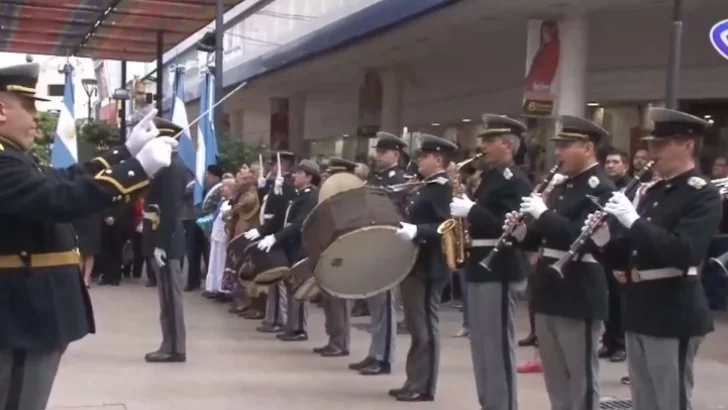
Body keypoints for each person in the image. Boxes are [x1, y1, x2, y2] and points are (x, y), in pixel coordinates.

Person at [0, 63, 174, 410]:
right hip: (24, 313)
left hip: (32, 309)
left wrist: (124, 154)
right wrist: (137, 170)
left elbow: (61, 179)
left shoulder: (13, 158)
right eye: (30, 107)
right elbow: (59, 199)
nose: (36, 118)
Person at [586, 108, 719, 410]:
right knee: (645, 400)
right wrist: (602, 240)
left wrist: (634, 221)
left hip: (674, 310)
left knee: (670, 399)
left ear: (687, 145)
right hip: (640, 306)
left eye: (661, 144)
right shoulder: (654, 190)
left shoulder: (702, 194)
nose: (652, 152)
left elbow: (685, 252)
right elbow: (632, 252)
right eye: (653, 144)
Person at [508, 115, 615, 410]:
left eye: (567, 145)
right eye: (559, 145)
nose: (559, 152)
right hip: (549, 288)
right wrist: (521, 231)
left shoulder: (601, 188)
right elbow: (542, 239)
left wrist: (543, 213)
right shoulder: (562, 185)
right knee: (555, 378)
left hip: (578, 289)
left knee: (580, 379)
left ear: (588, 147)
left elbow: (582, 238)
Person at [449, 115, 533, 410]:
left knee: (496, 346)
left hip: (500, 266)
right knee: (482, 346)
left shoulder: (516, 180)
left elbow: (512, 227)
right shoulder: (491, 177)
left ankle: (503, 404)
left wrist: (471, 210)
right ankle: (489, 403)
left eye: (488, 141)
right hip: (481, 264)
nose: (481, 146)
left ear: (507, 145)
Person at [389, 134, 455, 402]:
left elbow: (447, 227)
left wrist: (418, 230)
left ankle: (423, 385)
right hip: (416, 262)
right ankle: (413, 379)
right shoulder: (426, 186)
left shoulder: (442, 188)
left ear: (438, 159)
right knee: (418, 327)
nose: (418, 160)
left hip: (430, 265)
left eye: (423, 156)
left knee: (426, 326)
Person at [348, 132, 406, 376]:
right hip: (372, 243)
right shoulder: (377, 178)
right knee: (375, 303)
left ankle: (384, 358)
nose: (378, 156)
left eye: (383, 152)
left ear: (396, 154)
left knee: (385, 304)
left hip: (388, 245)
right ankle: (375, 352)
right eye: (377, 152)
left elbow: (398, 212)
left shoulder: (401, 179)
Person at [142, 117, 192, 363]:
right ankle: (170, 343)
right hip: (163, 239)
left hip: (168, 242)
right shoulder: (166, 167)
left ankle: (174, 347)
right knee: (166, 297)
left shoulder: (172, 169)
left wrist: (161, 243)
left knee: (171, 298)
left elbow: (170, 210)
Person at [258, 159, 320, 342]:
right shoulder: (300, 195)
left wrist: (276, 237)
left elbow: (299, 224)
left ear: (309, 177)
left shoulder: (310, 197)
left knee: (299, 289)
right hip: (292, 246)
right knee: (292, 287)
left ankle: (299, 328)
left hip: (301, 246)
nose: (295, 175)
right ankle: (292, 326)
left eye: (299, 173)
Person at [246, 151, 297, 333]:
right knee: (273, 282)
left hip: (278, 233)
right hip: (269, 230)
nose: (272, 167)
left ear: (284, 164)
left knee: (279, 281)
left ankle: (279, 319)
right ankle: (272, 317)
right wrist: (263, 188)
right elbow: (266, 206)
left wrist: (266, 232)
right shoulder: (277, 182)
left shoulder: (289, 184)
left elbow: (282, 213)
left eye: (276, 163)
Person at [314, 157, 357, 357]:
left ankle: (341, 342)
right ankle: (333, 338)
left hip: (344, 249)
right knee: (329, 298)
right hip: (328, 248)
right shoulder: (330, 200)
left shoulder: (352, 201)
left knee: (340, 299)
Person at [599, 147, 634, 363]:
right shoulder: (605, 187)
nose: (611, 165)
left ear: (625, 166)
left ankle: (621, 344)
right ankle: (609, 340)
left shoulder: (631, 187)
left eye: (615, 162)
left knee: (621, 299)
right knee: (608, 298)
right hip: (606, 249)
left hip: (623, 249)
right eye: (608, 162)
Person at [204, 178, 236, 298]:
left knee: (222, 262)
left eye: (225, 186)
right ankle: (214, 287)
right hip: (216, 234)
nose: (222, 189)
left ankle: (223, 289)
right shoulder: (222, 201)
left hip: (224, 235)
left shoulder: (232, 202)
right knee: (214, 260)